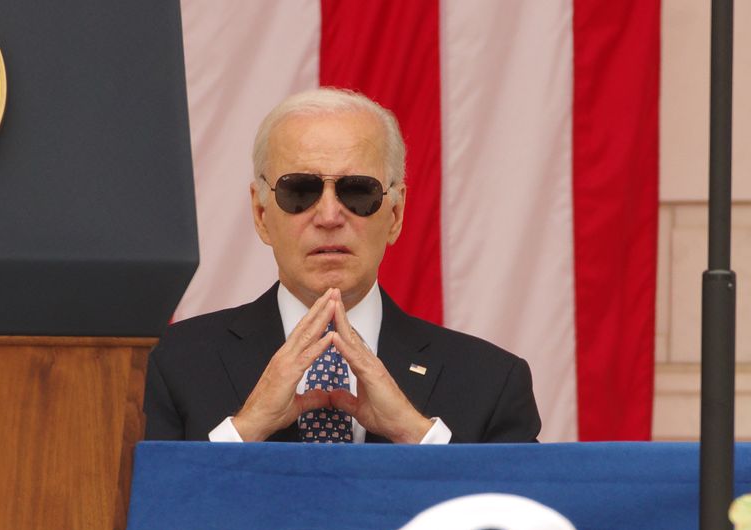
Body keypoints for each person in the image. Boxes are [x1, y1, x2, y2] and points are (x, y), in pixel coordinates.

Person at [143, 88, 541, 444]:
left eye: (357, 191)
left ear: (396, 213)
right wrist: (246, 429)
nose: (330, 215)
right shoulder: (170, 367)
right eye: (300, 191)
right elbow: (141, 516)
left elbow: (511, 518)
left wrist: (417, 436)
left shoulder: (492, 383)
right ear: (261, 213)